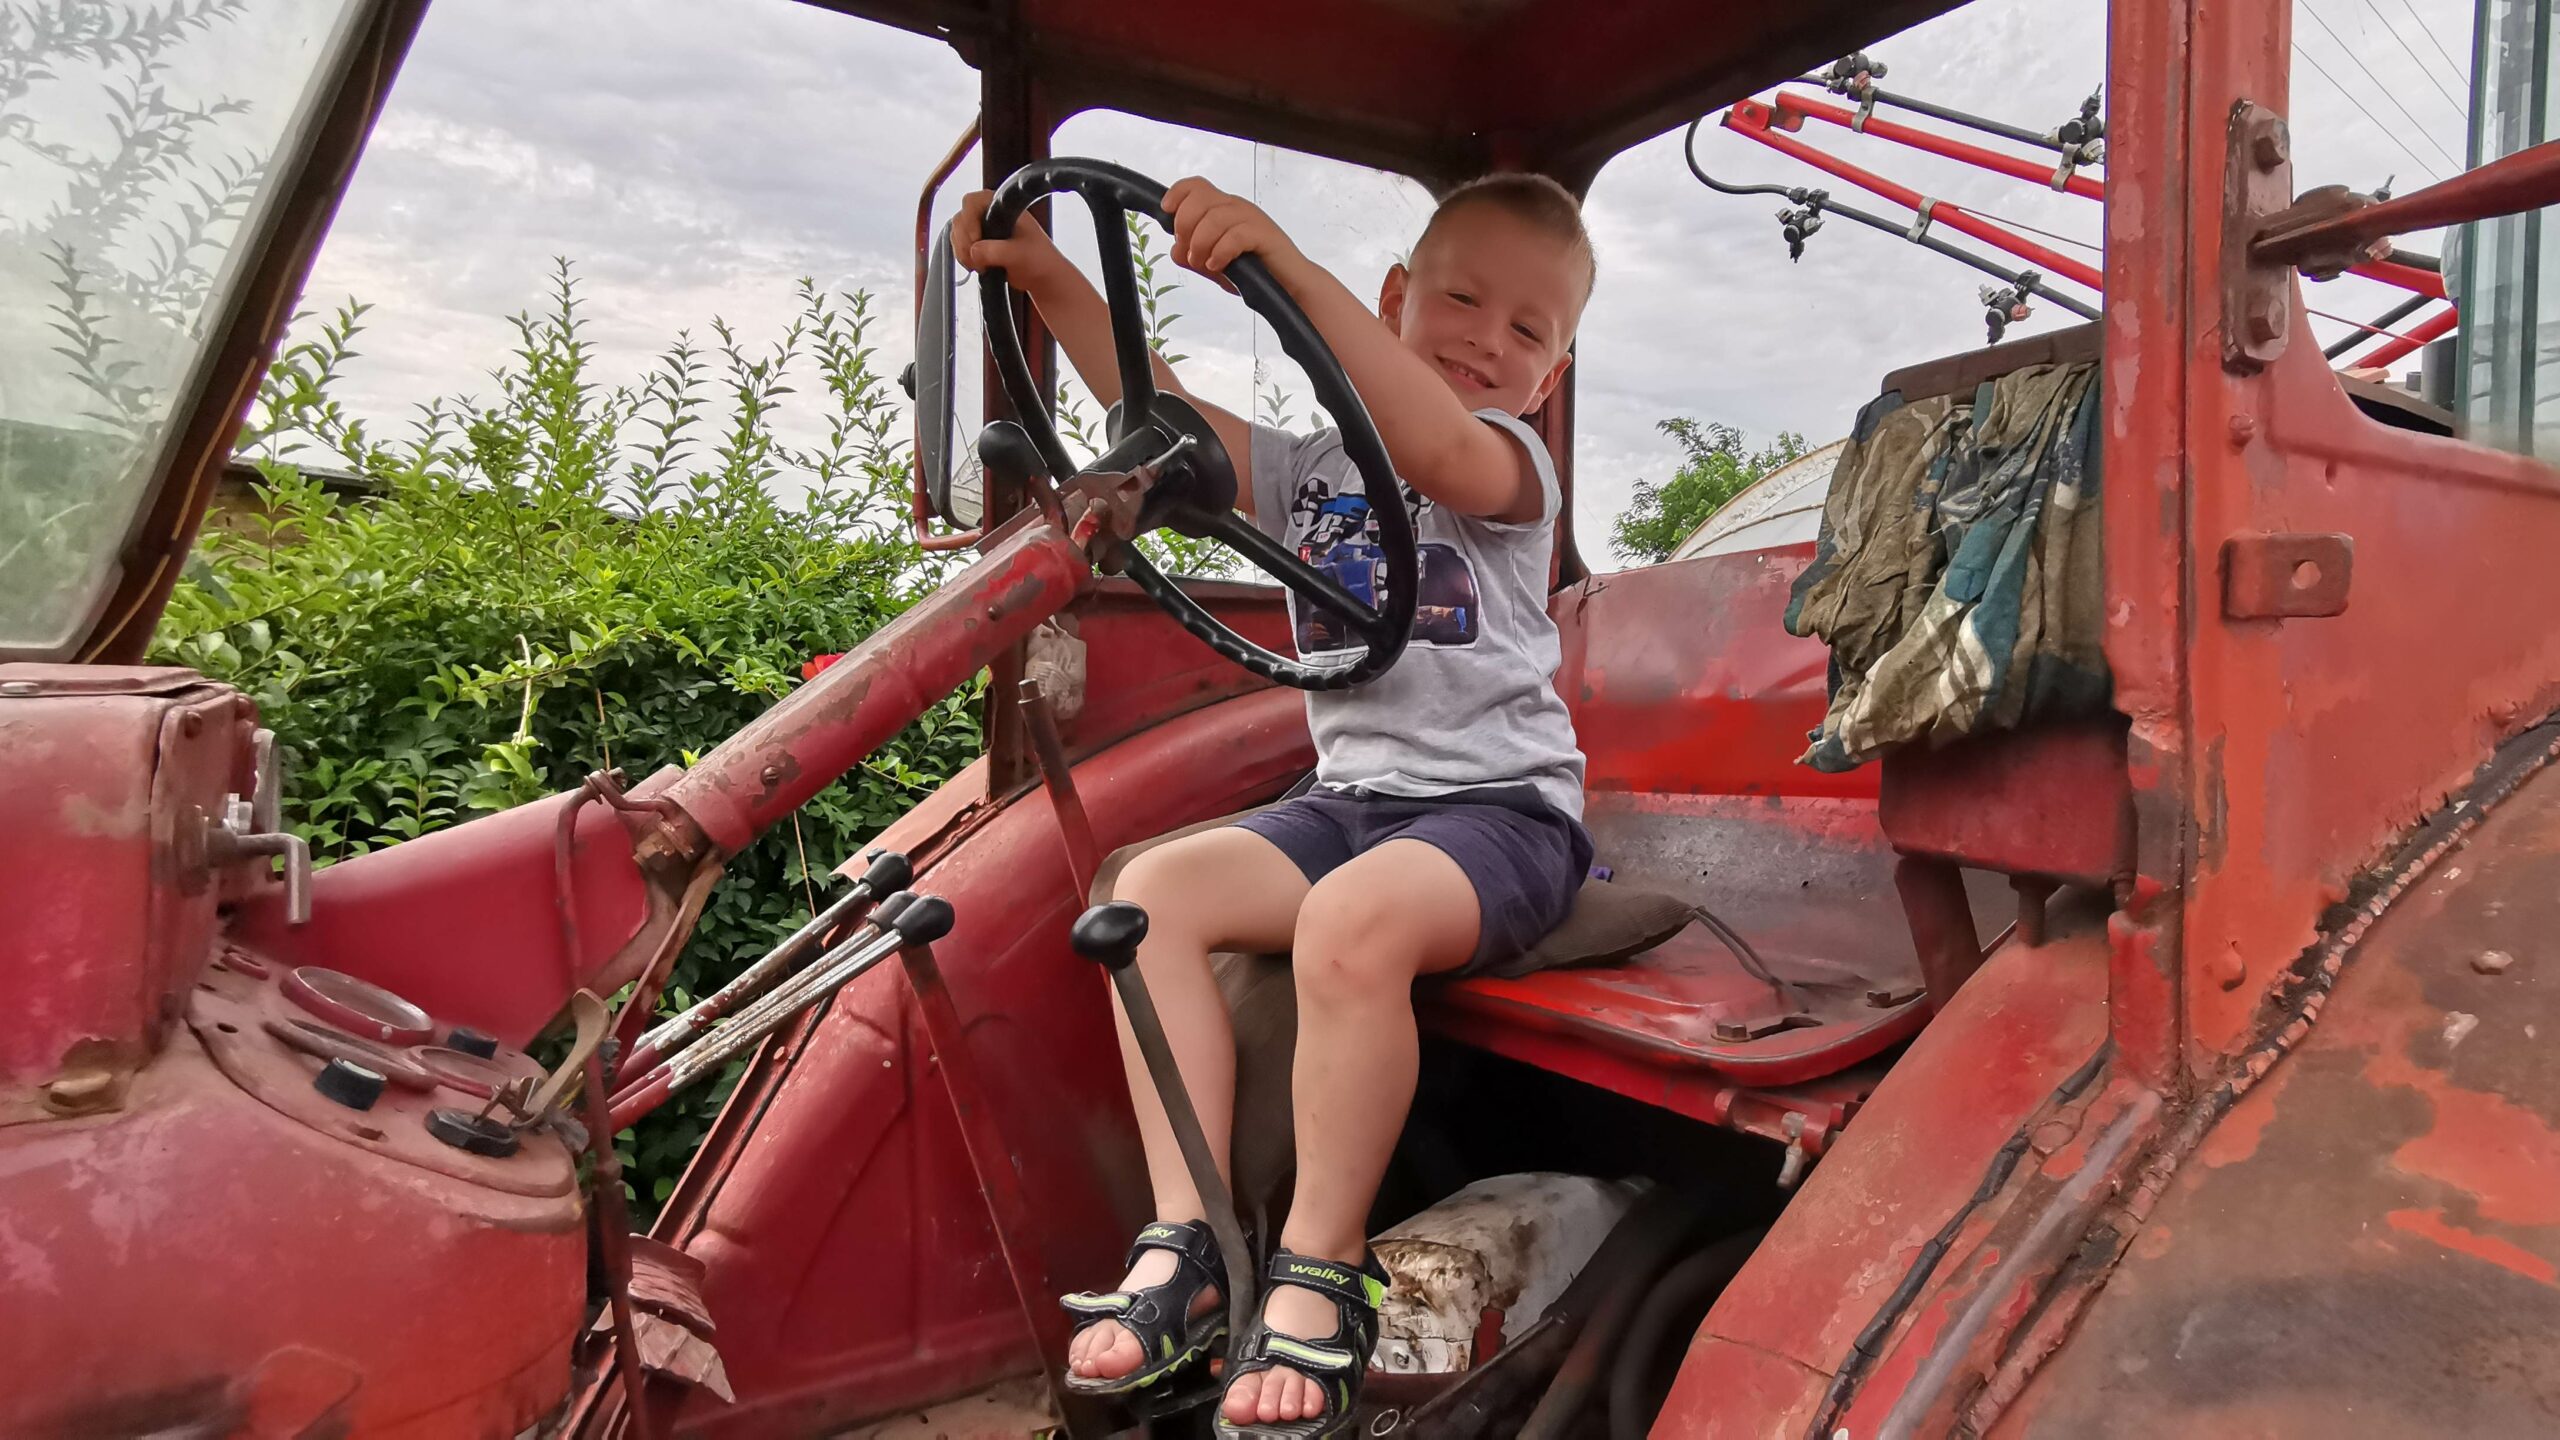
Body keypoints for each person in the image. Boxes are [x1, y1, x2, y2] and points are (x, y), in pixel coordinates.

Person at [951, 168, 1594, 1439]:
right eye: (1460, 299)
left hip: (1500, 812)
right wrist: (1047, 277)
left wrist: (1289, 275)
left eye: (1529, 330)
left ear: (1550, 379)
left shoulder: (1510, 468)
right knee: (1149, 895)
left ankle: (1320, 1262)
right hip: (1350, 796)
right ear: (1397, 297)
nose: (1487, 338)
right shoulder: (1307, 473)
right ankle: (1189, 1240)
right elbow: (1157, 412)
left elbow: (1424, 443)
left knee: (1348, 927)